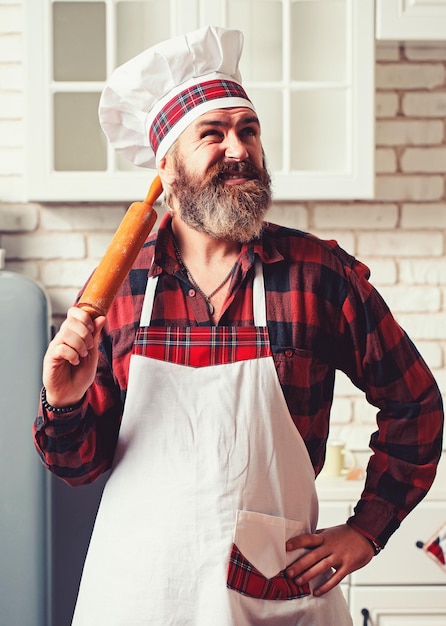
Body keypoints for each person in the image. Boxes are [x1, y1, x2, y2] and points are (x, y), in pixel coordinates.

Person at [33, 26, 444, 626]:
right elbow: (79, 468)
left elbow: (416, 406)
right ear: (168, 171)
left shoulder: (316, 274)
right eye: (213, 134)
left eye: (247, 130)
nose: (238, 148)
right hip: (142, 594)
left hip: (274, 595)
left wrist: (366, 530)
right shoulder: (121, 290)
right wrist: (64, 403)